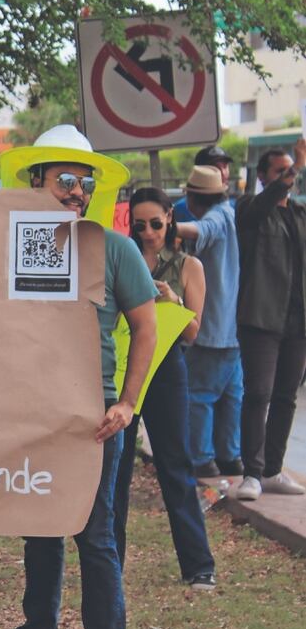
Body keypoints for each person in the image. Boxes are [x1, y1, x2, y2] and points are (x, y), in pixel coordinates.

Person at [0, 124, 157, 629]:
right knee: (41, 531)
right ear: (35, 181)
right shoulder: (7, 242)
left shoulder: (114, 249)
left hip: (96, 416)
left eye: (85, 183)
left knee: (96, 534)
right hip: (34, 412)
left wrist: (127, 403)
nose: (77, 191)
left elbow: (146, 327)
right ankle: (38, 628)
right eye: (65, 180)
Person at [112, 187, 217, 590]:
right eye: (139, 225)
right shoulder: (123, 257)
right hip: (125, 365)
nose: (149, 232)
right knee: (116, 468)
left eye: (155, 223)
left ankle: (198, 565)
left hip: (167, 368)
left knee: (175, 465)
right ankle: (110, 564)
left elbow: (193, 332)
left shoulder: (189, 265)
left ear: (170, 217)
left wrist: (173, 300)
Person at [233, 138, 306, 500]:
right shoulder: (250, 208)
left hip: (297, 321)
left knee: (285, 397)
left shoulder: (300, 214)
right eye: (280, 171)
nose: (287, 177)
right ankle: (252, 473)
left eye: (289, 170)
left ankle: (273, 470)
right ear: (263, 176)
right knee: (258, 393)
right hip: (260, 317)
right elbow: (258, 208)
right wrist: (297, 168)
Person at [175, 165, 243, 477]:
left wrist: (167, 225)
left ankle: (202, 458)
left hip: (213, 327)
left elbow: (202, 230)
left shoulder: (217, 217)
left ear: (193, 198)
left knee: (199, 395)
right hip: (233, 327)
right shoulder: (232, 212)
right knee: (231, 395)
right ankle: (230, 456)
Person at [174, 145, 234, 223]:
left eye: (225, 167)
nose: (223, 173)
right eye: (215, 168)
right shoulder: (181, 209)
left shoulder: (233, 207)